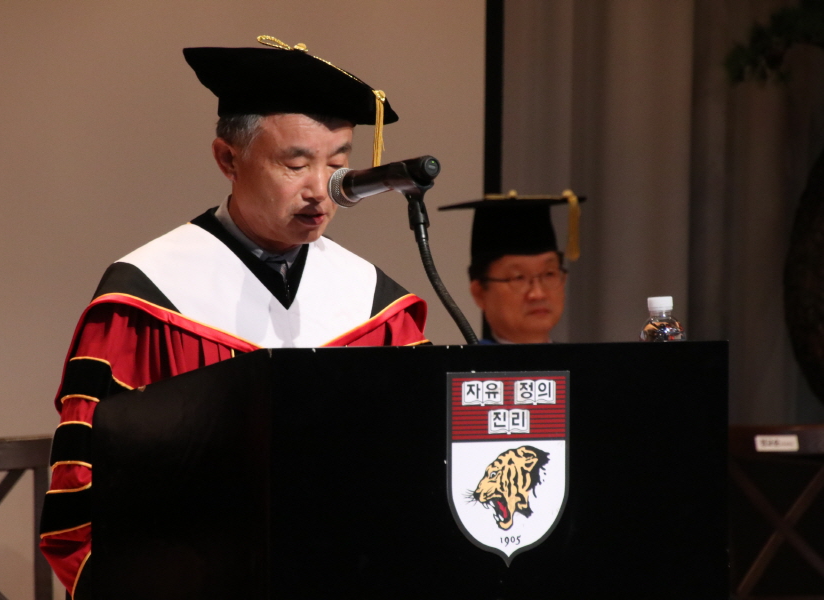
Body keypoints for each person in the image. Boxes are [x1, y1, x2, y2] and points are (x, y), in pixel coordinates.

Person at [38, 36, 428, 599]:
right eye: (296, 164)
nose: (321, 191)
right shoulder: (147, 299)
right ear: (228, 159)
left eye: (338, 165)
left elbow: (417, 472)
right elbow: (85, 493)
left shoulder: (375, 307)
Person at [439, 191, 583, 344]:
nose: (538, 294)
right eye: (518, 278)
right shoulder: (466, 360)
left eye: (549, 274)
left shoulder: (586, 359)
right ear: (479, 293)